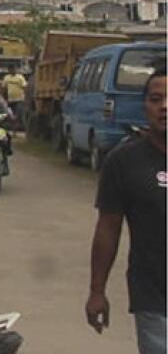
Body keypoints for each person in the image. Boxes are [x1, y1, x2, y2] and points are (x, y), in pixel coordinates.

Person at [87, 67, 166, 354]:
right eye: (156, 99)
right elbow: (108, 228)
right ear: (144, 106)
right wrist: (97, 291)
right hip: (156, 301)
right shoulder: (123, 162)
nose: (165, 106)